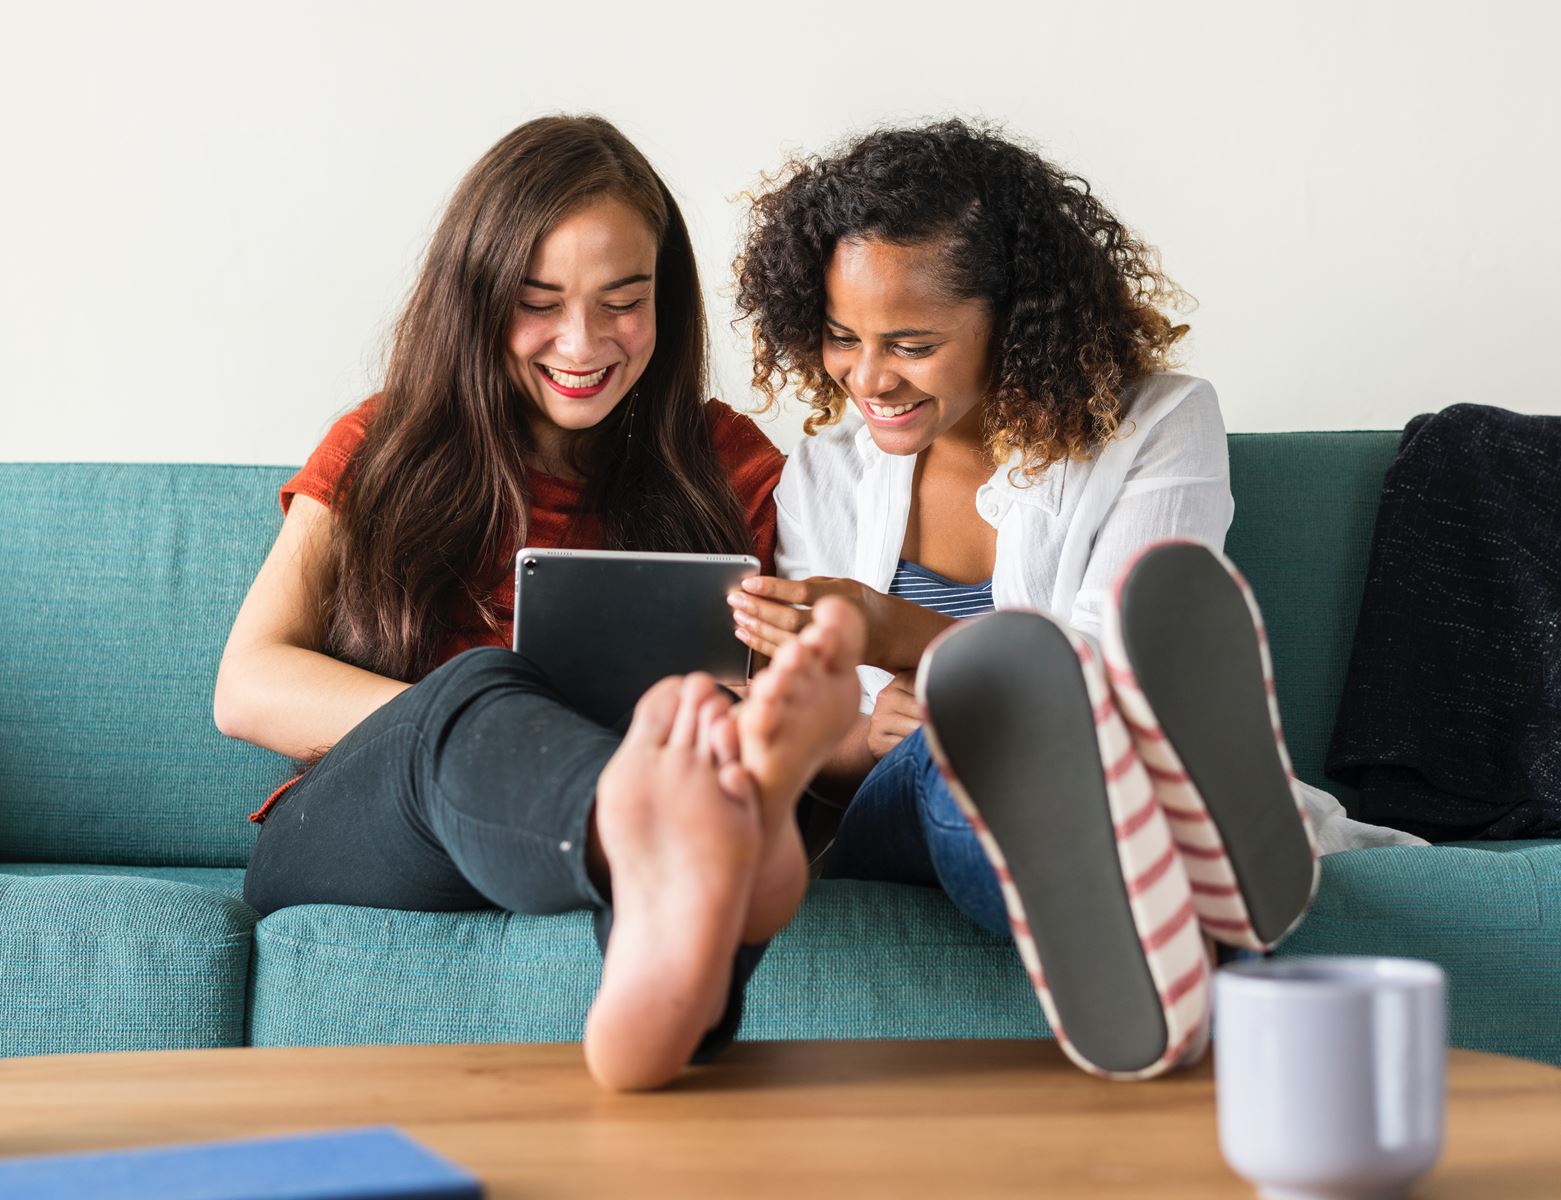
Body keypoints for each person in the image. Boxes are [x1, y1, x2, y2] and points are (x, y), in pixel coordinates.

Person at [214, 115, 862, 1092]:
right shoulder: (381, 442)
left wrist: (792, 670)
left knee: (716, 729)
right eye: (539, 302)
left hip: (622, 815)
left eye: (623, 302)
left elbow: (780, 681)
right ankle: (659, 816)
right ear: (476, 299)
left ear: (666, 302)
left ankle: (675, 986)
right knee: (484, 688)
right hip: (380, 828)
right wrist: (504, 727)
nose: (583, 342)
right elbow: (248, 687)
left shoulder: (729, 464)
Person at [728, 120, 1347, 1079]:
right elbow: (834, 745)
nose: (868, 378)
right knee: (960, 754)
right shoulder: (823, 471)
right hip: (911, 795)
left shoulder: (1157, 425)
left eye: (912, 343)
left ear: (1011, 320)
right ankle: (1201, 887)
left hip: (1114, 756)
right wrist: (871, 716)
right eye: (843, 339)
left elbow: (1113, 667)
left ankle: (1172, 919)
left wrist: (908, 641)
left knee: (1018, 729)